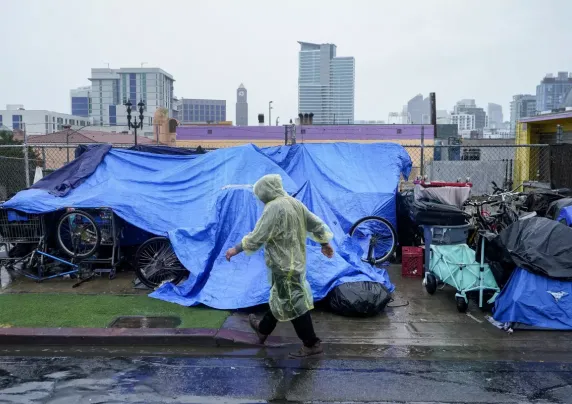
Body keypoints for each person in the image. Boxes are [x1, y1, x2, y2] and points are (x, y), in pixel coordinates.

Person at [225, 174, 334, 358]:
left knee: (294, 303)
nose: (260, 198)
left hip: (283, 265)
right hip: (295, 262)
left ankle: (311, 343)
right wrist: (324, 242)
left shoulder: (273, 207)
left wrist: (236, 249)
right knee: (282, 296)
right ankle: (263, 329)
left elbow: (258, 235)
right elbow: (315, 223)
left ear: (266, 192)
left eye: (260, 194)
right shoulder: (295, 203)